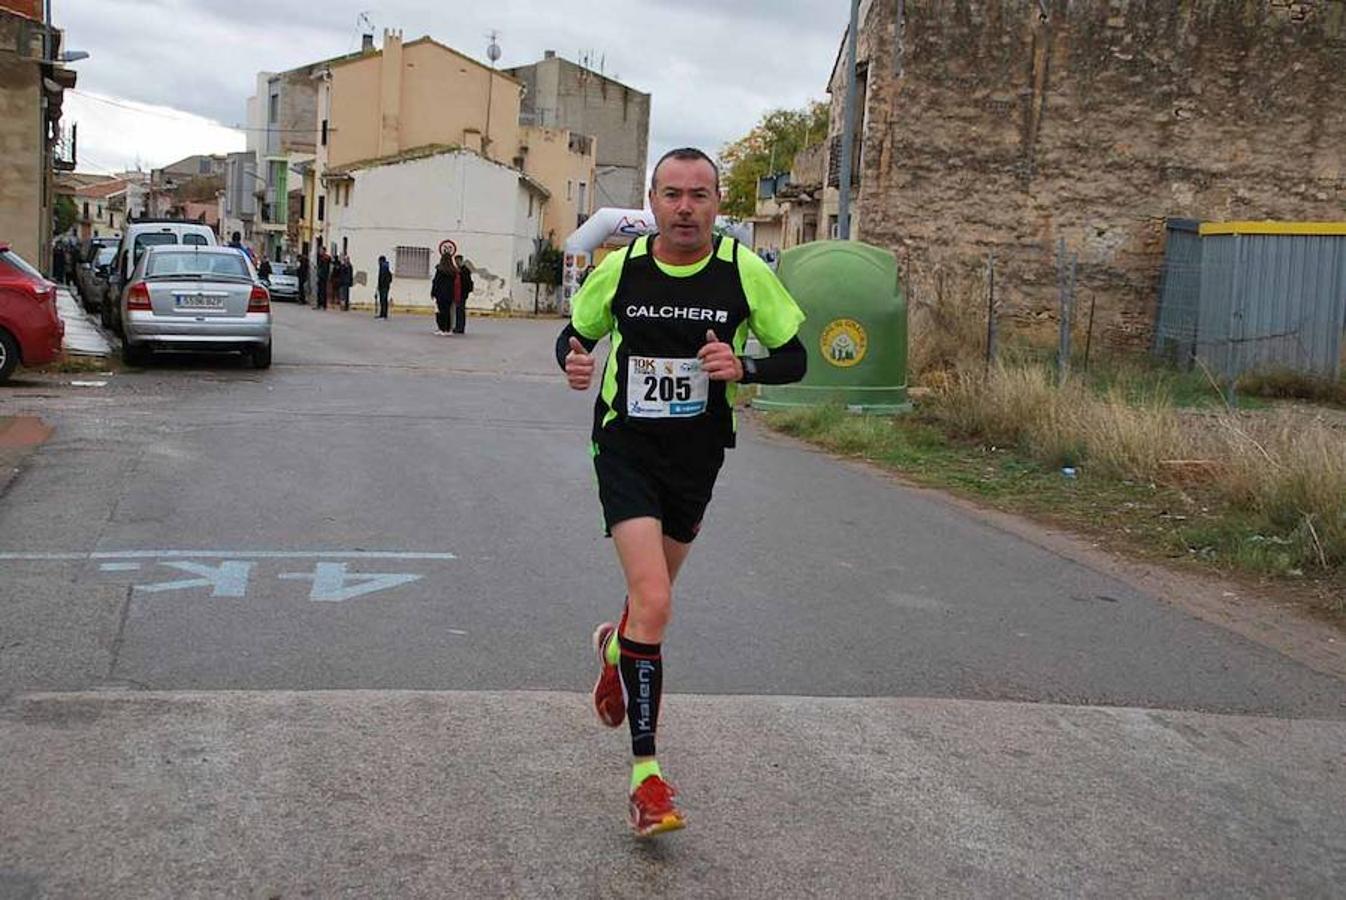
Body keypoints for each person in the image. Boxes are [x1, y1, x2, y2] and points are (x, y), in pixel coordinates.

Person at [555, 147, 807, 838]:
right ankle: (646, 782)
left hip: (696, 461)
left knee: (647, 606)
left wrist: (744, 365)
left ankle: (615, 648)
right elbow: (576, 335)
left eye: (700, 194)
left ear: (717, 203)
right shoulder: (622, 269)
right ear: (653, 201)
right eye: (673, 194)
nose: (686, 207)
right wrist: (576, 362)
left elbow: (795, 355)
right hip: (626, 449)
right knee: (658, 603)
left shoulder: (741, 271)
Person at [430, 251, 455, 335]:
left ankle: (441, 328)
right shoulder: (453, 271)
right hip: (450, 294)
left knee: (440, 312)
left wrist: (433, 292)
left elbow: (436, 282)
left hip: (440, 294)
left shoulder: (440, 270)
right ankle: (448, 329)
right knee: (447, 311)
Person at [450, 254, 473, 334]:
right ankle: (459, 327)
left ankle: (460, 328)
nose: (456, 263)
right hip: (459, 293)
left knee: (460, 311)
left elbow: (466, 282)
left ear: (460, 260)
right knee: (459, 310)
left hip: (462, 293)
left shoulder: (464, 270)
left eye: (457, 261)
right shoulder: (460, 270)